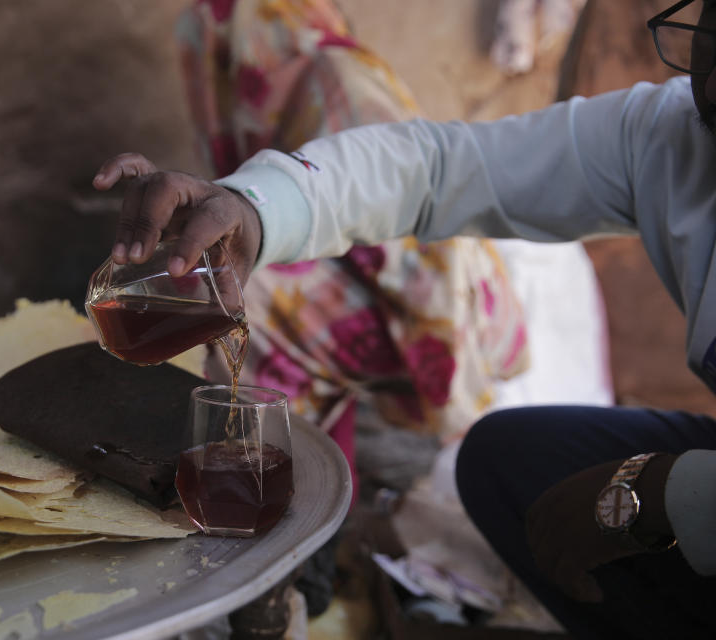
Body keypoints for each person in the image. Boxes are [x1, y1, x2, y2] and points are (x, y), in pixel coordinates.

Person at [93, 0, 716, 636]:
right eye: (710, 29)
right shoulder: (678, 130)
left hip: (434, 327)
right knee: (504, 458)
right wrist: (256, 209)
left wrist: (670, 495)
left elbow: (432, 283)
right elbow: (437, 171)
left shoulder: (333, 78)